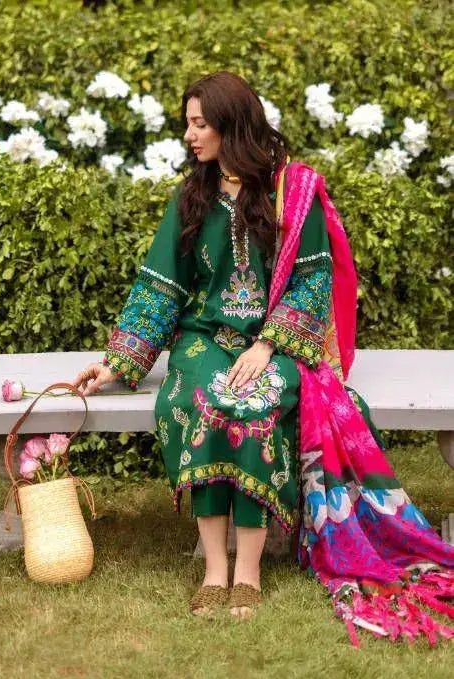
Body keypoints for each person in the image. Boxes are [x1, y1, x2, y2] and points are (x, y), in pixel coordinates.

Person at [74, 72, 454, 640]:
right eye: (188, 123)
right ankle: (214, 567)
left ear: (231, 127)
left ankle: (247, 570)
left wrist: (267, 343)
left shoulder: (289, 192)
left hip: (272, 343)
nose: (189, 135)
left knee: (252, 405)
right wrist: (119, 361)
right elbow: (160, 288)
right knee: (203, 402)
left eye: (200, 124)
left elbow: (312, 281)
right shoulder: (192, 198)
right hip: (202, 339)